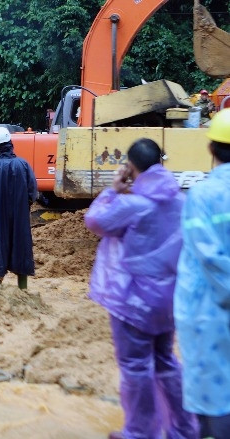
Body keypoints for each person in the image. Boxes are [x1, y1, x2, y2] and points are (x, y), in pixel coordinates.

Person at [84, 138, 198, 439]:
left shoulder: (133, 204)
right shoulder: (181, 201)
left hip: (134, 301)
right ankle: (185, 429)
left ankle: (139, 432)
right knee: (166, 362)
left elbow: (94, 221)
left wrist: (113, 189)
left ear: (131, 167)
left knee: (136, 367)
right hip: (168, 299)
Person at [174, 109, 230, 439]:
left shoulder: (202, 195)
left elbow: (209, 257)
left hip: (209, 310)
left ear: (210, 149)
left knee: (211, 390)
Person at [0, 126, 37, 289]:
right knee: (21, 248)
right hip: (20, 218)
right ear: (11, 143)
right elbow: (33, 192)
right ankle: (23, 291)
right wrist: (23, 207)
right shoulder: (23, 165)